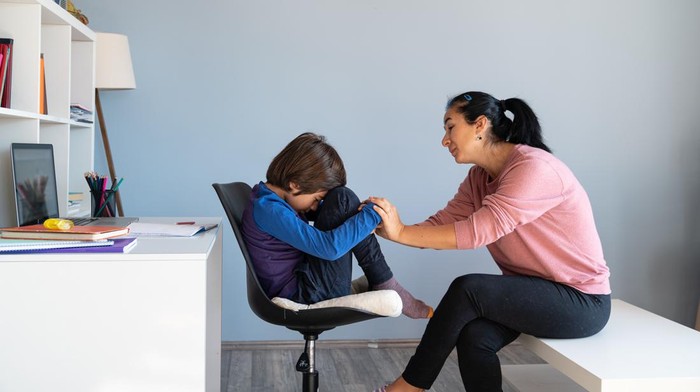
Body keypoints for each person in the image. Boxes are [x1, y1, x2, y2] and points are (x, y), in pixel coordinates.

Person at [370, 91, 611, 391]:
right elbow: (444, 223)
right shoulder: (478, 178)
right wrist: (391, 227)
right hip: (533, 291)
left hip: (581, 301)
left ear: (480, 124)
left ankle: (408, 388)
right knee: (474, 337)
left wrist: (402, 232)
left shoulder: (533, 168)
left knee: (468, 288)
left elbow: (478, 231)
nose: (445, 140)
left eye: (450, 127)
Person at [241, 132, 433, 319]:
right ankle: (384, 281)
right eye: (317, 198)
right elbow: (329, 249)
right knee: (343, 198)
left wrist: (352, 212)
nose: (316, 205)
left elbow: (313, 213)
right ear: (295, 185)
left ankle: (383, 281)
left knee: (342, 200)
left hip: (305, 282)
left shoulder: (267, 200)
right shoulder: (270, 211)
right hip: (304, 294)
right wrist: (373, 214)